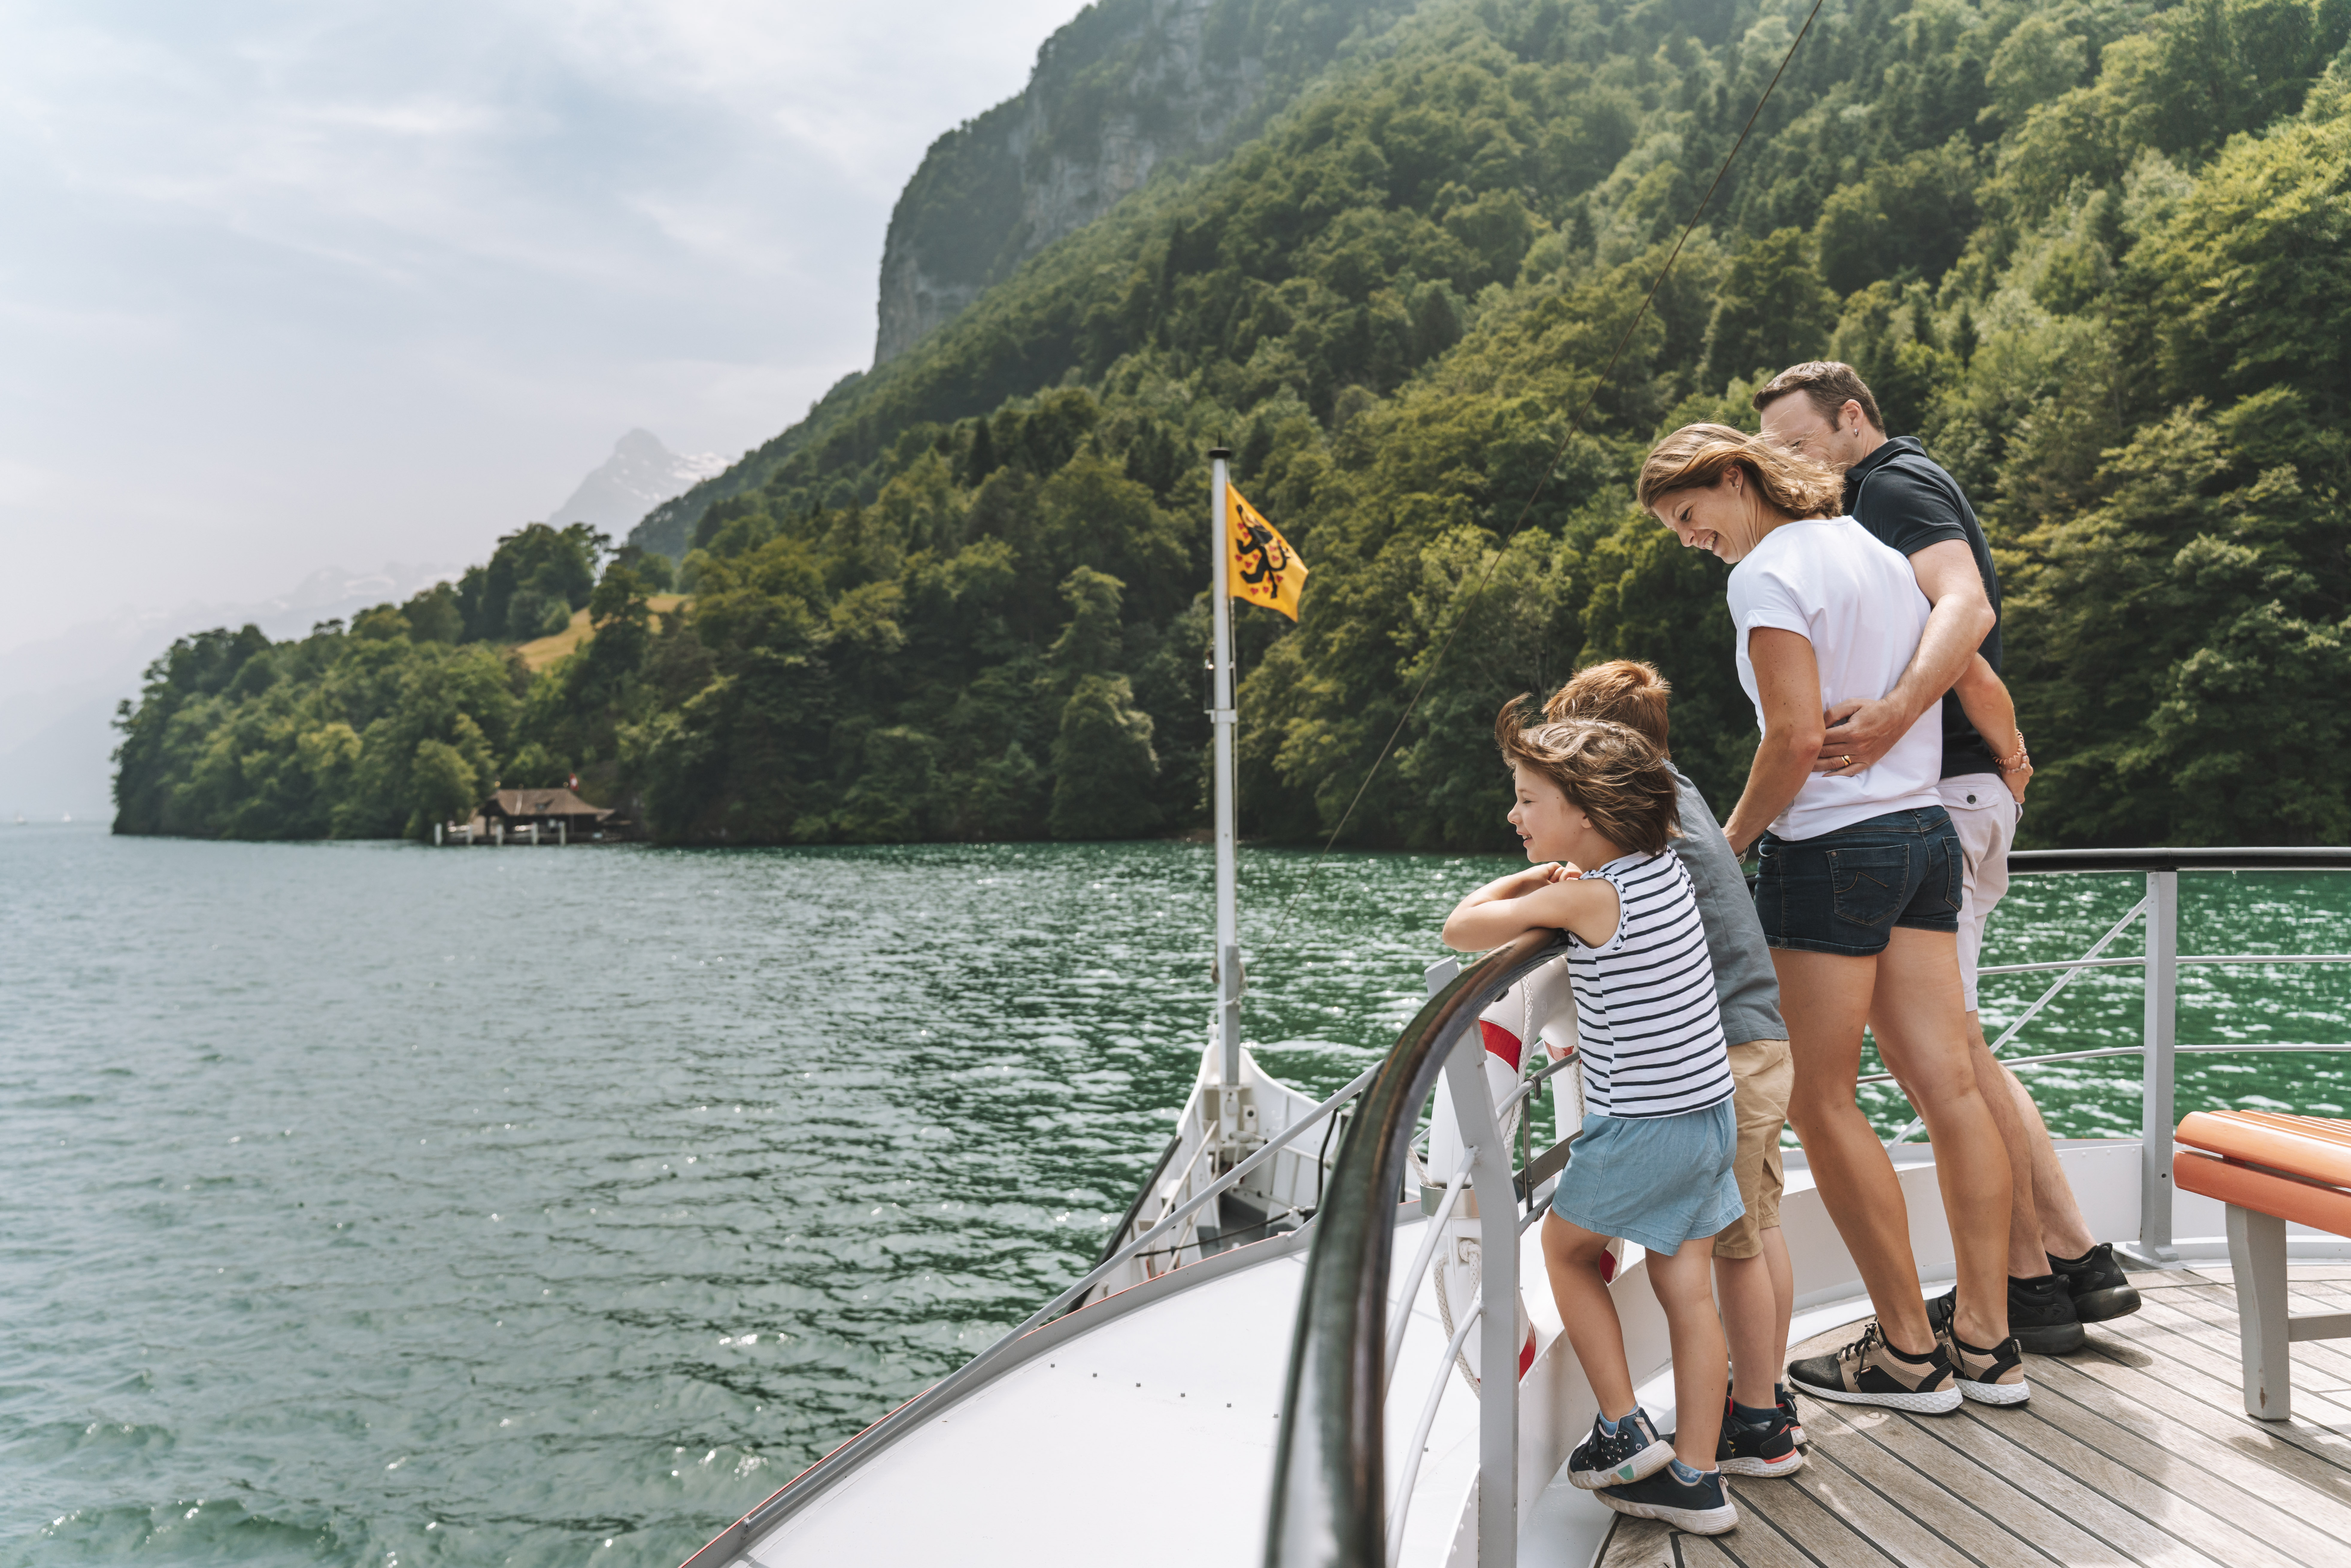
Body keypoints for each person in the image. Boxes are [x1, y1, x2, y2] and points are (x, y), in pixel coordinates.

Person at [1638, 423, 2026, 1411]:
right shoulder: (1872, 547)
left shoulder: (1765, 575)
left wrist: (1720, 848)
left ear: (1734, 478)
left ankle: (1907, 1352)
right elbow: (1965, 665)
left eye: (1689, 516)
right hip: (1925, 839)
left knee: (1819, 1100)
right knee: (1954, 1091)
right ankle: (1986, 1342)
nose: (1689, 540)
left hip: (1833, 851)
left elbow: (1796, 737)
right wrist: (2008, 751)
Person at [1755, 363, 2143, 1346]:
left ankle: (2026, 1284)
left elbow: (1965, 619)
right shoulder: (1871, 509)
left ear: (1852, 420)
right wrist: (2007, 756)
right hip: (1949, 793)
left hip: (1924, 793)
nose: (1788, 469)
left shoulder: (1889, 487)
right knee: (1956, 1051)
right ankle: (2069, 1258)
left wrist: (1892, 717)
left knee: (1944, 1064)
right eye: (1770, 456)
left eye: (1797, 446)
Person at [1442, 711, 1741, 1535]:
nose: (1515, 817)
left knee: (1564, 1252)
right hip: (1710, 1114)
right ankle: (1701, 1480)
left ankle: (1621, 1429)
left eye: (1528, 799)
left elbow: (1461, 927)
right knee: (1689, 1292)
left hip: (1642, 1126)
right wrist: (1559, 878)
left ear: (1586, 813)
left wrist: (1530, 888)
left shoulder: (1590, 898)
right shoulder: (1663, 869)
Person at [1545, 660, 1802, 1476]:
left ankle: (1761, 1420)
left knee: (1742, 1241)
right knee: (1753, 1230)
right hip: (1755, 1040)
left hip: (1719, 1054)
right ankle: (1762, 1404)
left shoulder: (1648, 821)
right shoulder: (1675, 794)